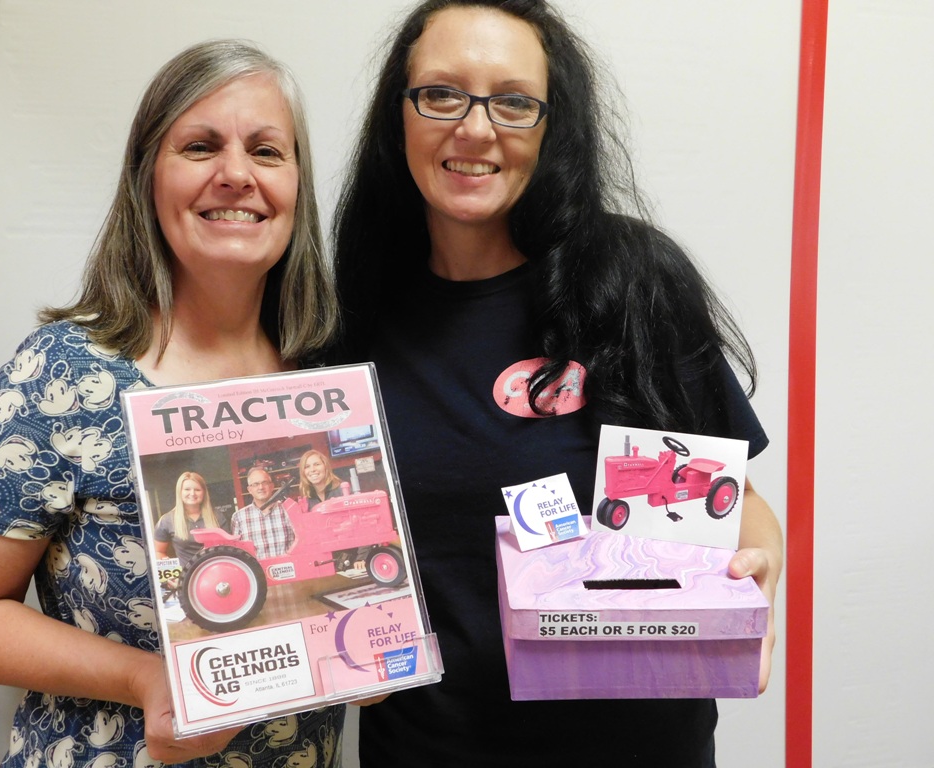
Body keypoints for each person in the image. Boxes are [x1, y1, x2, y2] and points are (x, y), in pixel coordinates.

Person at [331, 1, 784, 766]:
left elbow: (734, 504)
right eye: (441, 94)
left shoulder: (629, 281)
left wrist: (759, 568)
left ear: (552, 126)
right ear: (397, 114)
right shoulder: (352, 311)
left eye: (513, 101)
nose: (475, 128)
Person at [0, 40, 346, 768]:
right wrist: (146, 679)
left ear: (297, 184)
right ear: (148, 177)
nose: (236, 174)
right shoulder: (60, 375)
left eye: (267, 151)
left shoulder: (325, 377)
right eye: (200, 146)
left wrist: (367, 643)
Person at [154, 471, 223, 567]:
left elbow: (228, 548)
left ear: (204, 492)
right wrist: (170, 570)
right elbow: (159, 551)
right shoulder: (166, 520)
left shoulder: (217, 516)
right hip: (186, 575)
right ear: (180, 492)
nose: (192, 493)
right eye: (187, 489)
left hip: (217, 572)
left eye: (197, 490)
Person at [230, 468, 297, 557]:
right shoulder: (238, 517)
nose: (261, 487)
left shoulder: (289, 510)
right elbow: (237, 552)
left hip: (288, 565)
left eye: (264, 482)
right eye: (256, 484)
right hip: (256, 566)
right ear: (249, 489)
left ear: (272, 486)